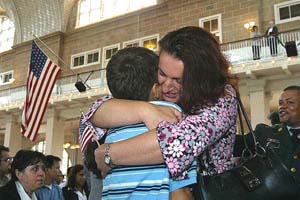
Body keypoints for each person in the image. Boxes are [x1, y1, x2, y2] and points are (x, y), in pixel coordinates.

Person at [83, 26, 238, 198]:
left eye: (178, 80)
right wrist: (145, 110)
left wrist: (107, 154)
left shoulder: (222, 98)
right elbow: (97, 110)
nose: (166, 86)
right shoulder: (157, 96)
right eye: (162, 74)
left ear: (201, 78)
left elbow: (175, 144)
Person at [83, 47, 196, 200]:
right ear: (156, 89)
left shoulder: (109, 124)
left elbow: (93, 111)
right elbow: (179, 192)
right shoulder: (174, 118)